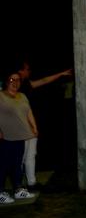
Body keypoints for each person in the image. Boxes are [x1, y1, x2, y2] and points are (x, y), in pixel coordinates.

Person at [17, 61, 72, 190]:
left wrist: (61, 73)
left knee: (31, 153)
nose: (29, 71)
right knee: (21, 154)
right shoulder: (14, 85)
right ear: (20, 70)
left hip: (30, 123)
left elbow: (44, 80)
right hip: (20, 124)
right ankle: (18, 184)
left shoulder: (25, 84)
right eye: (27, 69)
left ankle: (31, 182)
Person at [0, 71, 38, 204]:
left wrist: (34, 127)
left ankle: (18, 189)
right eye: (12, 80)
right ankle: (0, 192)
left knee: (17, 164)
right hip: (6, 137)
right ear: (6, 81)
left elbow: (28, 112)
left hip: (21, 136)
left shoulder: (22, 96)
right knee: (3, 165)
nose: (15, 83)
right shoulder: (1, 96)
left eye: (18, 80)